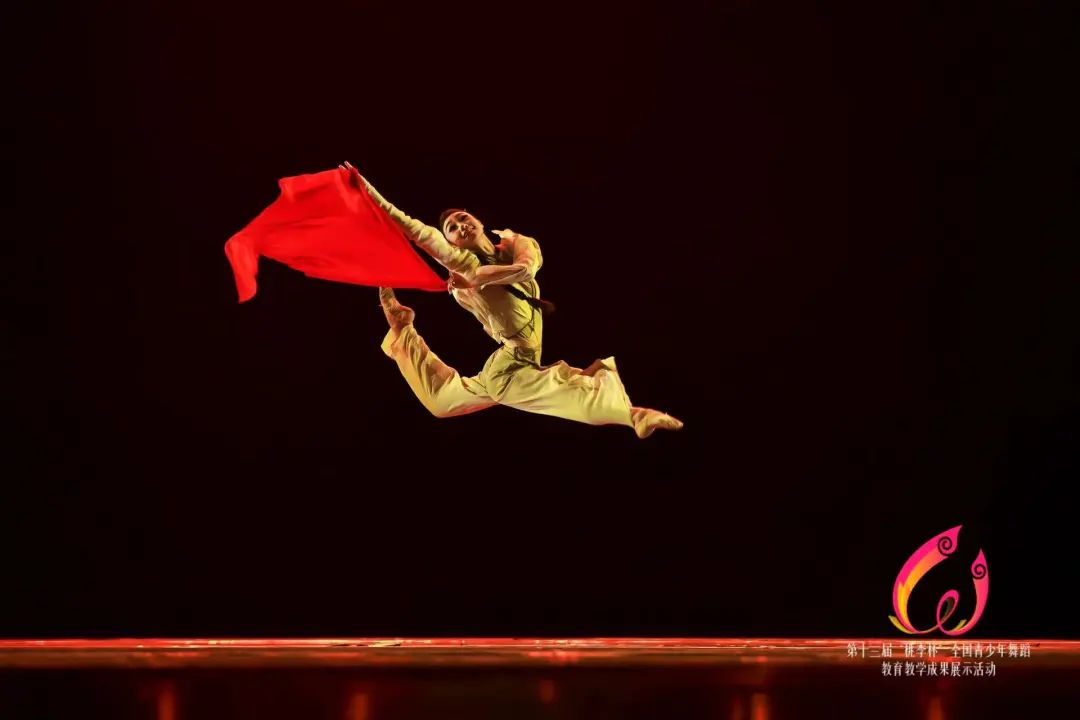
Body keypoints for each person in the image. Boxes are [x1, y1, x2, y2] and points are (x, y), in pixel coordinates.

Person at [343, 162, 683, 438]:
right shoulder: (464, 265)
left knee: (441, 402)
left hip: (518, 362)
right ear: (451, 244)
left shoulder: (517, 247)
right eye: (451, 228)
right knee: (559, 397)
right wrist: (367, 190)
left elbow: (526, 267)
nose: (460, 226)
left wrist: (499, 267)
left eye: (463, 218)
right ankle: (634, 415)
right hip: (508, 368)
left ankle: (402, 329)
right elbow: (413, 228)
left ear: (477, 220)